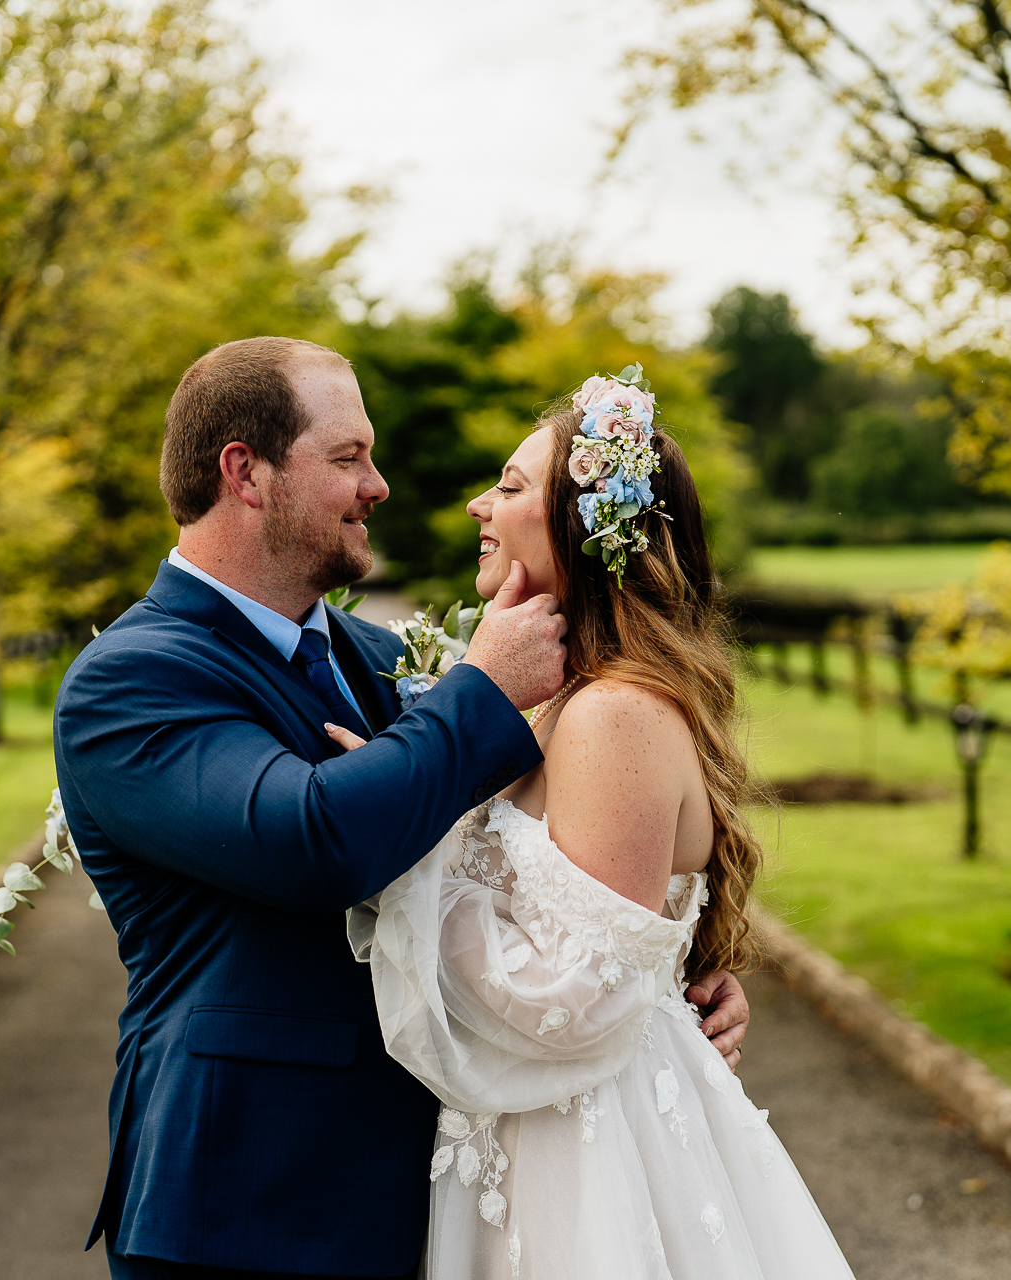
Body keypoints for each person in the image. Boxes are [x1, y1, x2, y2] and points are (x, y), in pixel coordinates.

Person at [52, 338, 753, 1280]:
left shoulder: (375, 660)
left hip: (431, 1194)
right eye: (349, 459)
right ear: (245, 472)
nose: (378, 486)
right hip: (246, 1207)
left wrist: (658, 978)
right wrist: (483, 690)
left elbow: (538, 872)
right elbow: (317, 838)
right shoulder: (132, 680)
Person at [338, 370, 856, 1278]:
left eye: (506, 486)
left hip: (590, 1154)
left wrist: (391, 859)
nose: (475, 506)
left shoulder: (611, 714)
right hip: (531, 1128)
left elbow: (575, 995)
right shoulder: (552, 703)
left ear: (579, 526)